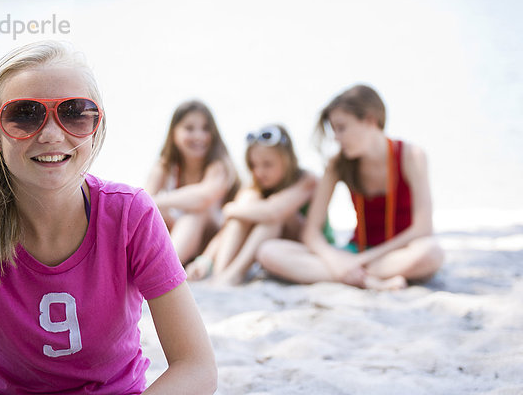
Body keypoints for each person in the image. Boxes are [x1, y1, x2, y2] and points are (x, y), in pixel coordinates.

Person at [0, 41, 217, 395]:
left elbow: (196, 366)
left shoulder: (130, 215)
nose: (50, 134)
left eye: (75, 112)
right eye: (25, 114)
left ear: (97, 125)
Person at [257, 85, 444, 290]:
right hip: (354, 252)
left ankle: (353, 276)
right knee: (269, 251)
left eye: (341, 128)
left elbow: (423, 228)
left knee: (431, 252)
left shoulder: (412, 156)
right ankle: (369, 281)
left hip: (393, 253)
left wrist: (361, 261)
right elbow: (311, 233)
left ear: (370, 121)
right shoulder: (338, 164)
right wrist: (336, 261)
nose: (336, 137)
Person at [187, 124, 330, 286]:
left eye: (267, 164)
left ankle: (235, 273)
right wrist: (205, 259)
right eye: (254, 165)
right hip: (270, 248)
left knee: (267, 216)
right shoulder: (256, 188)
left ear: (287, 160)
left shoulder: (306, 180)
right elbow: (227, 229)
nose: (259, 172)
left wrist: (230, 208)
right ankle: (221, 273)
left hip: (304, 250)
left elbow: (273, 212)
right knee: (249, 200)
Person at [145, 100, 239, 265]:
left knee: (195, 214)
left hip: (214, 240)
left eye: (205, 129)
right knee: (154, 215)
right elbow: (143, 206)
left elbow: (203, 198)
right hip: (177, 236)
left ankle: (166, 267)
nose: (198, 136)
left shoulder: (219, 165)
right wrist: (154, 203)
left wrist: (157, 200)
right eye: (189, 129)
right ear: (174, 133)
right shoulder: (165, 166)